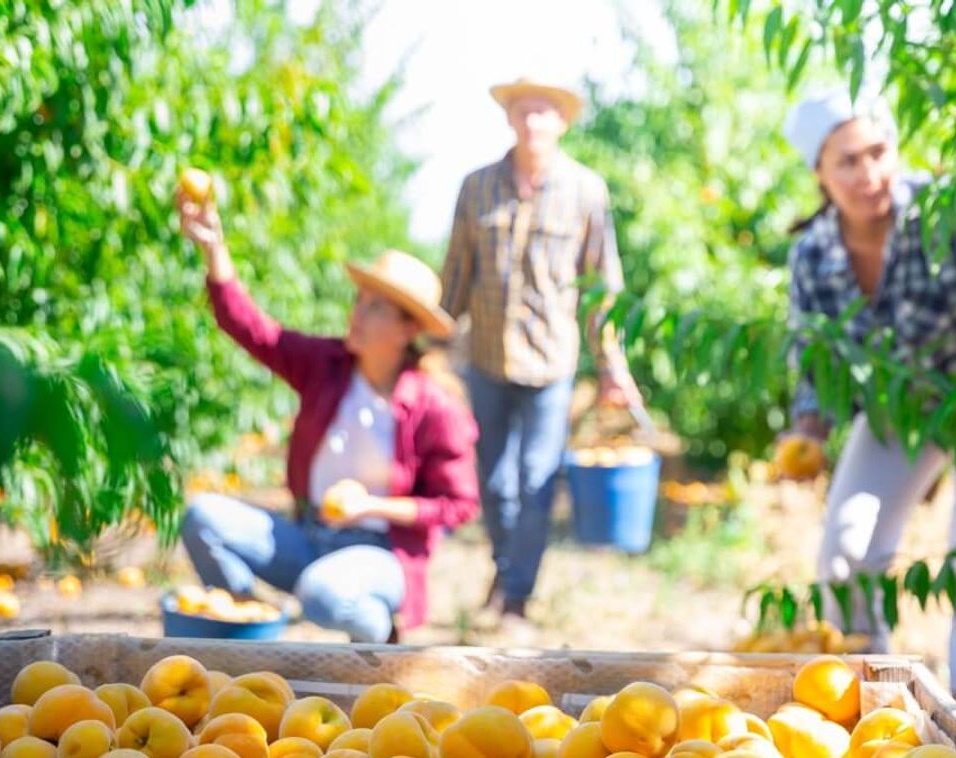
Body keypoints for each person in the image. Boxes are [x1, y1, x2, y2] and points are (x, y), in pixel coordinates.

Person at [780, 87, 956, 717]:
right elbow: (813, 358)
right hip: (905, 399)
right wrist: (808, 433)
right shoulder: (813, 253)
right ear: (819, 172)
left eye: (878, 152)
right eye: (847, 160)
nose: (868, 173)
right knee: (845, 548)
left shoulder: (947, 208)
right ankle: (873, 701)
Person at [175, 185, 479, 643]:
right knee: (203, 518)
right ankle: (246, 635)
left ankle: (380, 644)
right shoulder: (328, 365)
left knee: (323, 594)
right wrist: (214, 249)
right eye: (360, 300)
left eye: (375, 308)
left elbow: (458, 505)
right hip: (309, 536)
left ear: (407, 329)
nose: (356, 314)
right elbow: (255, 331)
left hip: (380, 553)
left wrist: (370, 506)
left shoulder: (433, 405)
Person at [439, 77, 643, 629]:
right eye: (523, 111)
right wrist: (429, 341)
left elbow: (604, 285)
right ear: (510, 119)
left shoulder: (585, 191)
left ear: (562, 122)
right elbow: (456, 272)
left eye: (544, 113)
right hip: (485, 356)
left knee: (536, 479)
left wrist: (611, 366)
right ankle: (505, 569)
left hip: (550, 360)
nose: (533, 122)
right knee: (495, 480)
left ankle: (517, 598)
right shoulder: (477, 187)